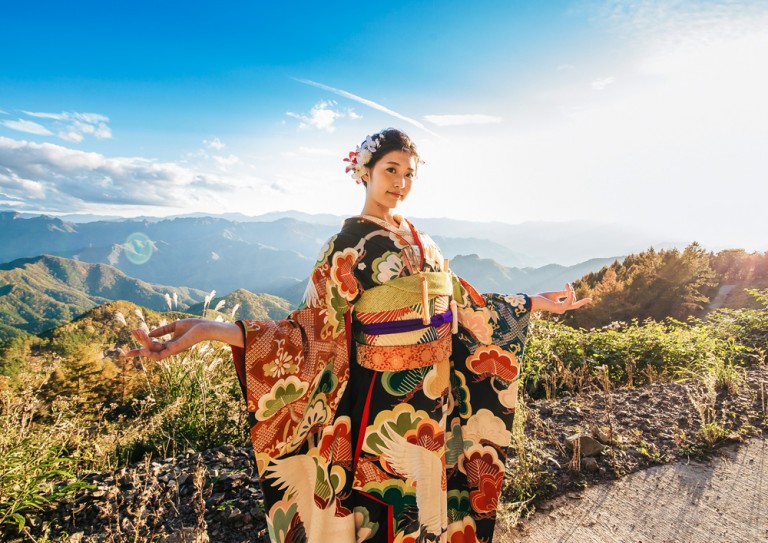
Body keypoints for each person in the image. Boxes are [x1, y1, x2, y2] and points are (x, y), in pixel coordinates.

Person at [127, 128, 590, 543]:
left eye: (409, 174)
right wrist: (211, 329)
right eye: (390, 170)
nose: (400, 183)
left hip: (438, 391)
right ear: (363, 172)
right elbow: (309, 330)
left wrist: (533, 302)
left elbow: (463, 304)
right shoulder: (347, 245)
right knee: (388, 494)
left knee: (437, 492)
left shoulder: (423, 241)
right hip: (382, 399)